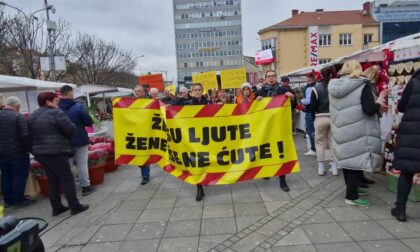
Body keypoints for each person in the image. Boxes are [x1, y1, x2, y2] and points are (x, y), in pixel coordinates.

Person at [328, 60, 388, 207]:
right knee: (355, 162)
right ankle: (351, 196)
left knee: (347, 162)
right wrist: (379, 104)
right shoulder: (362, 84)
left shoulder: (334, 85)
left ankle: (353, 189)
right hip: (358, 129)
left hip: (341, 129)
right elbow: (368, 109)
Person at [28, 92, 88, 216]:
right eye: (55, 101)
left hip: (40, 153)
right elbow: (70, 130)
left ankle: (57, 207)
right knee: (67, 178)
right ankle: (74, 205)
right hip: (56, 151)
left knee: (53, 180)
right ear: (48, 102)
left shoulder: (32, 116)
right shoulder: (56, 113)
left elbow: (27, 135)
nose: (58, 104)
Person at [256, 70, 295, 192]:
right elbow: (253, 111)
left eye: (273, 76)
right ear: (265, 78)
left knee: (280, 151)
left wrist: (292, 98)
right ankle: (266, 172)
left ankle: (282, 180)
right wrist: (257, 101)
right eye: (269, 76)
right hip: (265, 127)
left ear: (276, 77)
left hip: (279, 127)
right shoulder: (260, 91)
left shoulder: (283, 90)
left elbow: (292, 107)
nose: (271, 78)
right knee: (266, 151)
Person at [391, 69, 420, 222]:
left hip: (412, 133)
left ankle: (400, 210)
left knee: (407, 172)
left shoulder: (414, 82)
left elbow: (402, 106)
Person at [58, 85, 96, 196]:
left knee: (67, 166)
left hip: (64, 141)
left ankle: (69, 190)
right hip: (79, 139)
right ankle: (85, 187)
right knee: (82, 164)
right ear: (70, 93)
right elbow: (88, 122)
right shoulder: (78, 107)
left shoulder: (56, 108)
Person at [0, 96, 34, 208]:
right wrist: (29, 149)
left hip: (2, 153)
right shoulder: (18, 116)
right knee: (19, 176)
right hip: (17, 152)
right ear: (17, 106)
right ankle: (19, 200)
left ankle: (8, 201)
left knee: (6, 176)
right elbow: (25, 135)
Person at [310, 68, 338, 176]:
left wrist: (314, 118)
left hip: (320, 117)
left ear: (320, 75)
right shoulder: (336, 87)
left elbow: (312, 106)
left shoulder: (315, 89)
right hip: (334, 117)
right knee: (333, 143)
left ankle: (321, 168)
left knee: (320, 143)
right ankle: (334, 167)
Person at [187, 83, 210, 201]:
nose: (197, 91)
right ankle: (199, 189)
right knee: (197, 162)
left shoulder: (208, 103)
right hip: (194, 139)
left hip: (208, 137)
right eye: (195, 90)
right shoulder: (187, 104)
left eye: (199, 89)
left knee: (207, 160)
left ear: (202, 91)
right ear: (192, 92)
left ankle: (206, 179)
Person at [133, 85, 151, 185]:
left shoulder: (149, 102)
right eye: (135, 91)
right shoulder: (131, 103)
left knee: (144, 153)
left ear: (144, 92)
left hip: (147, 132)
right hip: (136, 132)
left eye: (139, 91)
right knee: (138, 156)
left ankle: (145, 176)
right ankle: (144, 168)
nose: (137, 93)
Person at [301, 73, 317, 156]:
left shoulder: (308, 88)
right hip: (317, 111)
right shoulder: (317, 86)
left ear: (308, 80)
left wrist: (302, 101)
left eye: (306, 79)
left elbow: (308, 101)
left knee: (310, 131)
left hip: (310, 111)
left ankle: (313, 149)